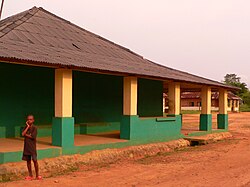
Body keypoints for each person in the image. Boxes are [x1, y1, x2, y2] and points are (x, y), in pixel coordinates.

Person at [22, 115, 42, 180]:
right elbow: (22, 134)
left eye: (30, 119)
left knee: (35, 160)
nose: (29, 120)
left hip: (32, 148)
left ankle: (37, 175)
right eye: (28, 119)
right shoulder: (26, 127)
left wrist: (26, 135)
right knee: (28, 161)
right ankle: (30, 175)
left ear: (33, 120)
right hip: (26, 147)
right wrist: (27, 127)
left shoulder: (34, 128)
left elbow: (33, 137)